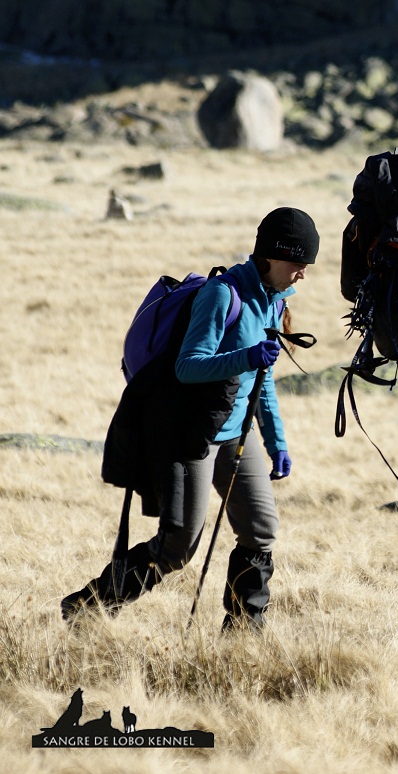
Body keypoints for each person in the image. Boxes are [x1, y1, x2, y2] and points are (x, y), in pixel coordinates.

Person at [61, 207, 320, 631]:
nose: (303, 274)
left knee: (261, 531)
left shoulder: (275, 300)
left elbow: (263, 381)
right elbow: (189, 366)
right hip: (196, 433)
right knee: (179, 546)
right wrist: (246, 356)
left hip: (239, 435)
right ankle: (87, 606)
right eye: (298, 263)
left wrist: (278, 443)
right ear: (273, 255)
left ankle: (242, 636)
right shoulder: (223, 295)